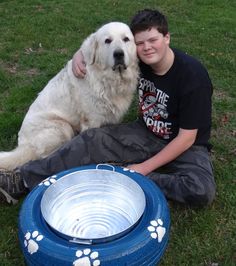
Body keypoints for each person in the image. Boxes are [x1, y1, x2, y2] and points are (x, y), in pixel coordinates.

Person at [0, 9, 216, 207]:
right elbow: (107, 46)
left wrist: (143, 168)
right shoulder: (141, 60)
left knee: (200, 190)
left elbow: (187, 138)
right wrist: (80, 55)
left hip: (186, 146)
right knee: (90, 139)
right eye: (140, 43)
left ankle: (128, 174)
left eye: (153, 40)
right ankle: (20, 180)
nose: (147, 47)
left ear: (167, 38)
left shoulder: (193, 77)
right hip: (147, 133)